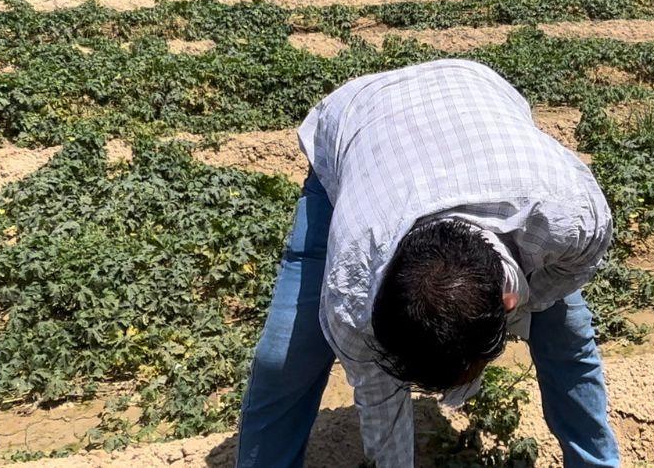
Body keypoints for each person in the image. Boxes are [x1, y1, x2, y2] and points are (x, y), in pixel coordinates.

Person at [236, 59, 618, 468]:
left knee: (568, 340)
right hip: (360, 123)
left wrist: (530, 301)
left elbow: (569, 272)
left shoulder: (570, 216)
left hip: (473, 94)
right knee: (284, 359)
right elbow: (379, 398)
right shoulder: (353, 293)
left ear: (508, 301)